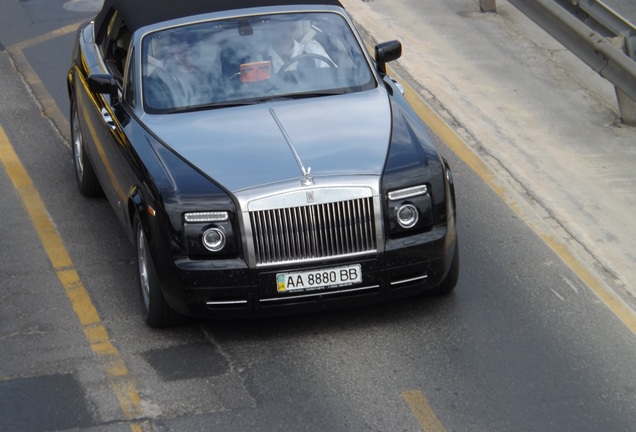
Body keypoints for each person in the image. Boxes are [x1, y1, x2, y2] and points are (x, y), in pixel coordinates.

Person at [267, 20, 334, 73]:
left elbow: (333, 75)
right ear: (272, 29)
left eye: (291, 28)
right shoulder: (261, 58)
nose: (287, 33)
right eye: (282, 28)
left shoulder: (311, 50)